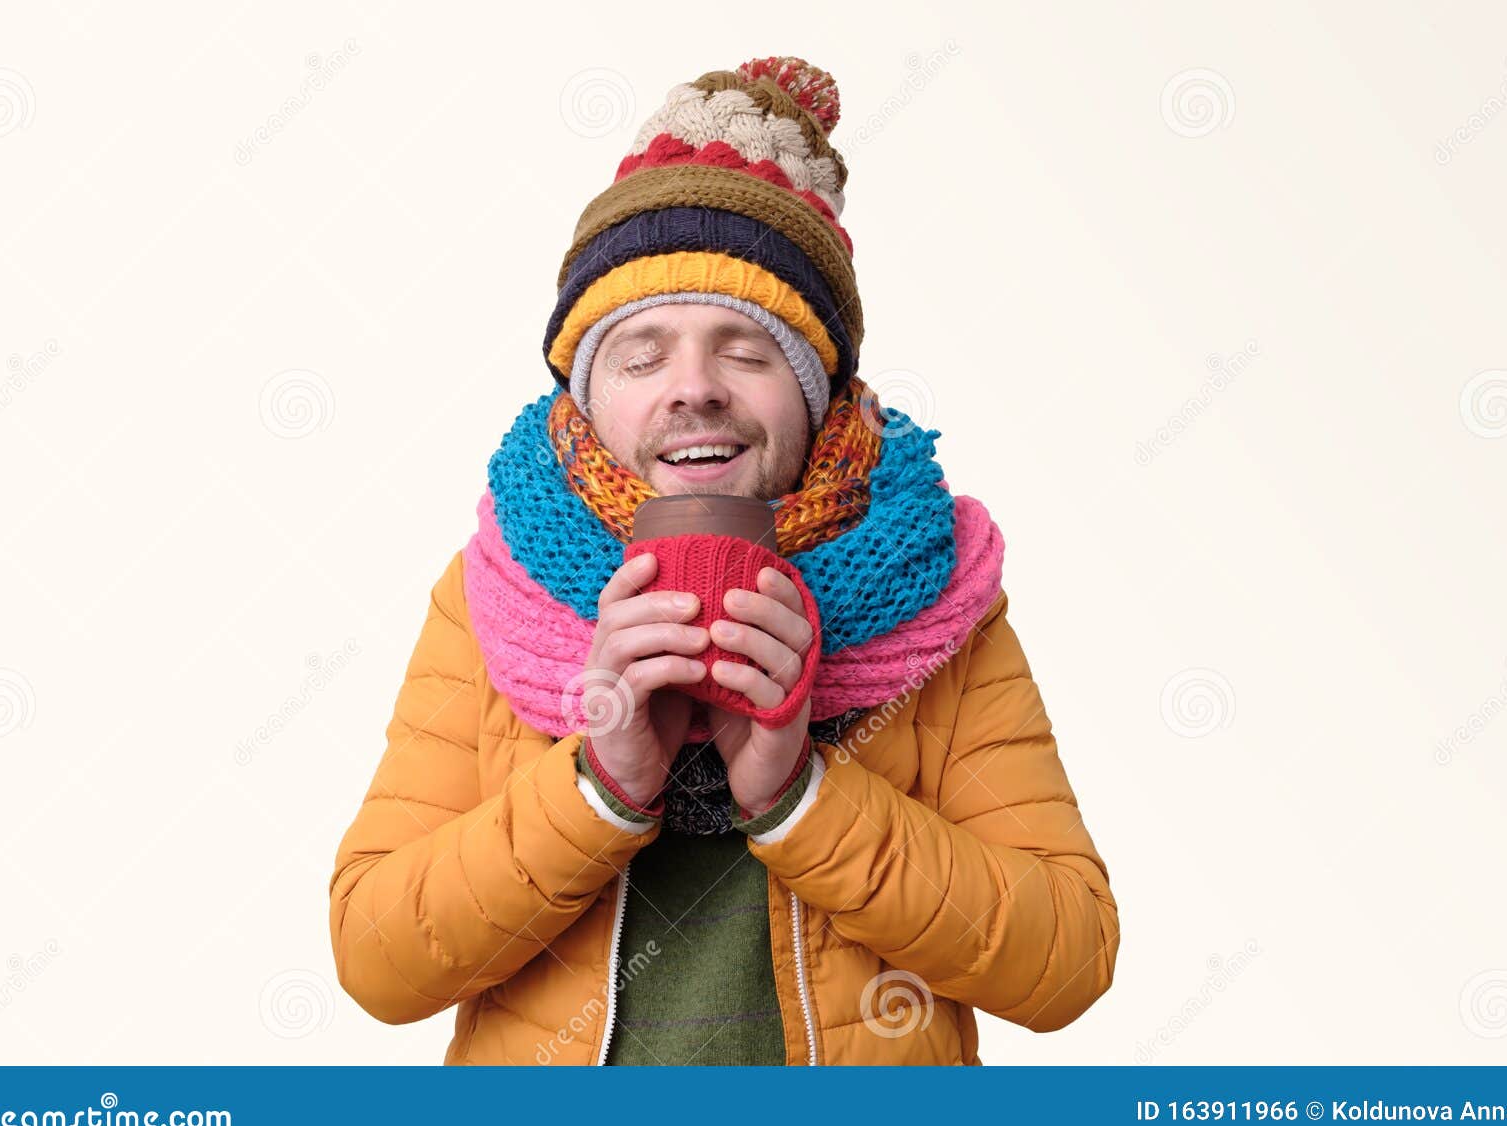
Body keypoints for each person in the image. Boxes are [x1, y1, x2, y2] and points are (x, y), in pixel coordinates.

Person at [328, 55, 1119, 1065]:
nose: (693, 389)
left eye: (746, 349)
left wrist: (802, 793)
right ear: (587, 397)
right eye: (641, 353)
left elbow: (1069, 959)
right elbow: (377, 959)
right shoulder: (496, 588)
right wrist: (599, 784)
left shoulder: (937, 594)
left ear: (819, 391)